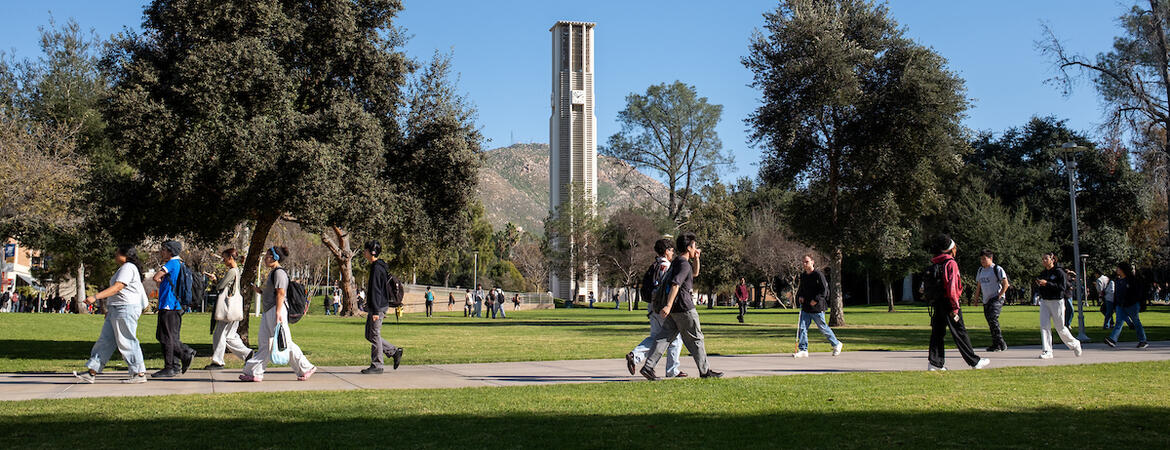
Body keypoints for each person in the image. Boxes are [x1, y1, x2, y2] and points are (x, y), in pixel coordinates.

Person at [639, 233, 723, 380]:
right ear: (689, 247)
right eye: (694, 246)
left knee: (664, 337)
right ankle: (705, 371)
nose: (696, 248)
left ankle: (648, 367)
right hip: (684, 308)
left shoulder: (678, 262)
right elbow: (675, 284)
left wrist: (696, 258)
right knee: (696, 338)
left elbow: (695, 273)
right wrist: (668, 305)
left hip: (675, 310)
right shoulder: (683, 264)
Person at [72, 245, 148, 384]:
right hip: (117, 309)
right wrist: (109, 310)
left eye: (117, 252)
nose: (115, 255)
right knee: (105, 341)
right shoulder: (124, 268)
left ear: (125, 254)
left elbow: (118, 287)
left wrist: (96, 297)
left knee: (127, 340)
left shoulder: (128, 267)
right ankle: (92, 371)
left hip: (125, 308)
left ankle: (139, 372)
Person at [241, 246, 316, 382]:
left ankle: (305, 367)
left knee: (284, 342)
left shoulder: (279, 273)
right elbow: (273, 293)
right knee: (264, 343)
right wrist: (261, 291)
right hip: (270, 310)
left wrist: (278, 312)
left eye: (267, 256)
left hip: (277, 310)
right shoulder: (273, 272)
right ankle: (254, 372)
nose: (265, 259)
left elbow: (281, 293)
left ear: (275, 258)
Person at [924, 234, 990, 371]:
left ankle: (935, 363)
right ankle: (974, 362)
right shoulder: (950, 263)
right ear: (950, 249)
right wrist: (955, 306)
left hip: (937, 302)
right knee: (960, 332)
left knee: (937, 333)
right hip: (949, 303)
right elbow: (952, 286)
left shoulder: (936, 262)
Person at [626, 239, 685, 378]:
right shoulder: (666, 266)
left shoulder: (655, 265)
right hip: (662, 307)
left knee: (656, 337)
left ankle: (635, 356)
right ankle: (672, 370)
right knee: (675, 338)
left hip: (652, 307)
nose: (673, 253)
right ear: (666, 251)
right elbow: (666, 288)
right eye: (671, 250)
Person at [203, 248, 253, 370]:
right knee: (230, 336)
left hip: (228, 309)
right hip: (234, 309)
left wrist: (214, 280)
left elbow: (221, 286)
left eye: (224, 258)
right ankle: (247, 354)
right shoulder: (237, 271)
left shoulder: (232, 271)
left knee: (219, 335)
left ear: (230, 258)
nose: (223, 260)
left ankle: (218, 361)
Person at [151, 240, 196, 378]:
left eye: (163, 249)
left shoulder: (171, 263)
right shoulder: (180, 263)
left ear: (170, 251)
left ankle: (182, 356)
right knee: (170, 335)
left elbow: (156, 277)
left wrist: (160, 280)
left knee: (166, 337)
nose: (161, 252)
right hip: (176, 305)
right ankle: (175, 365)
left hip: (168, 305)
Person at [359, 241, 404, 374]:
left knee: (374, 334)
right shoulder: (377, 266)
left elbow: (376, 291)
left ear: (371, 252)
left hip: (378, 307)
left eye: (365, 250)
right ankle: (394, 352)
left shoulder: (377, 268)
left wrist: (376, 311)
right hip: (377, 305)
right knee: (369, 335)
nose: (364, 252)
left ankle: (377, 365)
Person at [1034, 253, 1083, 359]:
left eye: (1046, 259)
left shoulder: (1059, 272)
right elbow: (1041, 287)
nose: (1044, 261)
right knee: (1044, 326)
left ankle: (1075, 343)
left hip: (1057, 301)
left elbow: (1062, 287)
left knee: (1060, 327)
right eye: (1042, 259)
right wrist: (1040, 285)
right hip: (1045, 302)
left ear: (1053, 260)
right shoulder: (1043, 273)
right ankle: (1047, 350)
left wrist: (1047, 283)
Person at [794, 255, 843, 358]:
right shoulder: (803, 276)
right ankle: (803, 349)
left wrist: (816, 300)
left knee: (823, 327)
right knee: (802, 328)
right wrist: (800, 297)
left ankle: (836, 344)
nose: (804, 264)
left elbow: (824, 290)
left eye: (806, 262)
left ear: (812, 262)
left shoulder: (818, 275)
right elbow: (802, 289)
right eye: (803, 262)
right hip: (806, 307)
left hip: (817, 307)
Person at [1105, 262, 1148, 349]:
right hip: (1120, 305)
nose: (1117, 270)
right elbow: (1116, 294)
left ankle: (1143, 340)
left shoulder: (1132, 280)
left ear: (1123, 270)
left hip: (1131, 305)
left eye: (1118, 268)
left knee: (1136, 322)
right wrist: (1115, 304)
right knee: (1119, 322)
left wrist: (1135, 302)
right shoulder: (1118, 280)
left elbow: (1137, 293)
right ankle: (1113, 340)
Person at [974, 249, 1010, 352]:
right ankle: (996, 344)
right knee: (990, 321)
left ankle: (1001, 343)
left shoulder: (997, 269)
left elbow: (1006, 284)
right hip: (986, 299)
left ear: (991, 258)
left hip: (996, 298)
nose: (982, 261)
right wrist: (976, 298)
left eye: (984, 259)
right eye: (981, 259)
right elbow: (979, 286)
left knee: (993, 318)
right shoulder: (980, 270)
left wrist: (1000, 295)